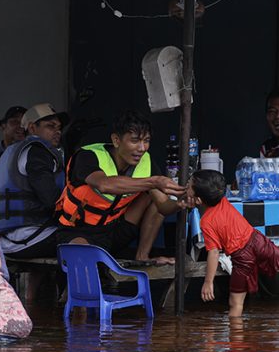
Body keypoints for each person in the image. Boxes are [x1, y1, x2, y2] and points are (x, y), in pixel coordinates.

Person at [56, 110, 187, 261]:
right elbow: (104, 184)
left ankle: (142, 256)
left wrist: (181, 202)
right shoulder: (88, 156)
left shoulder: (147, 162)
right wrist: (154, 182)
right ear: (116, 140)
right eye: (135, 141)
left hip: (113, 231)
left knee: (152, 197)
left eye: (146, 141)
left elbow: (163, 206)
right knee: (82, 259)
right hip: (78, 230)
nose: (142, 148)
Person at [191, 169, 279, 317]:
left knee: (236, 304)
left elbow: (214, 252)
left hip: (241, 257)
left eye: (189, 185)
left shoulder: (206, 222)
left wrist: (208, 282)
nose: (187, 186)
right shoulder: (222, 200)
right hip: (257, 241)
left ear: (199, 200)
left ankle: (236, 338)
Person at [0, 103, 68, 259]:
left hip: (5, 240)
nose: (57, 131)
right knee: (90, 238)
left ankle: (35, 285)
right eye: (50, 126)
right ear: (32, 128)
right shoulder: (38, 151)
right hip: (29, 238)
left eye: (59, 127)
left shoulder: (9, 152)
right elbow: (50, 199)